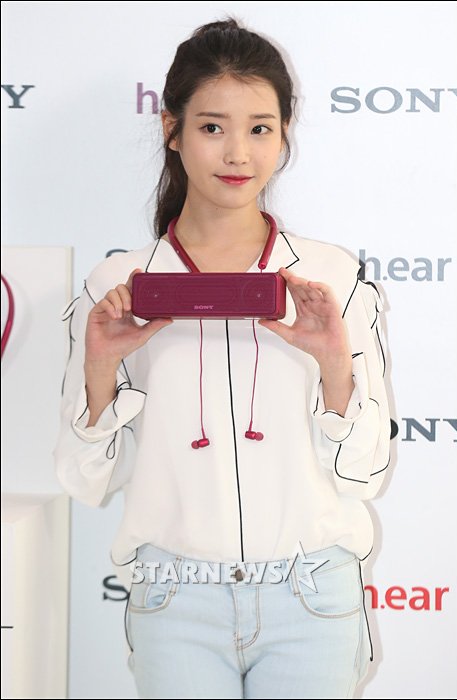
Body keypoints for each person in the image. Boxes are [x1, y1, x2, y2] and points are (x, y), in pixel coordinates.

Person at [54, 16, 391, 700]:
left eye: (260, 128)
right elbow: (86, 480)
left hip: (312, 596)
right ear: (172, 130)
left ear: (284, 134)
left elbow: (366, 471)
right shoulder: (117, 287)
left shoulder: (331, 278)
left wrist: (335, 366)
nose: (238, 152)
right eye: (212, 126)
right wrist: (99, 372)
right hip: (174, 597)